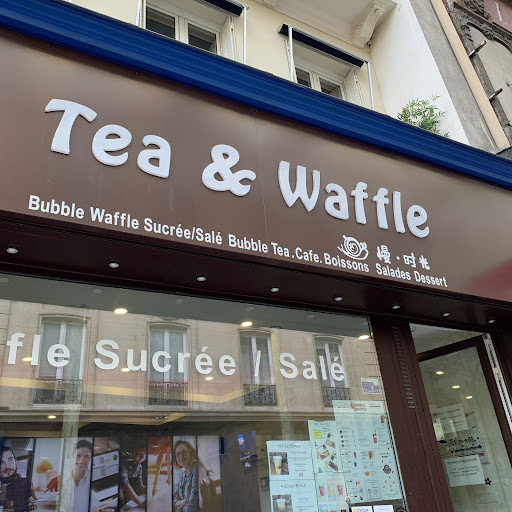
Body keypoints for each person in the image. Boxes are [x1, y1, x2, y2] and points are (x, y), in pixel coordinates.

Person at [47, 439, 93, 512]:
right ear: (73, 455)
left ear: (90, 458)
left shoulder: (93, 478)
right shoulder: (60, 479)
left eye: (86, 456)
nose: (81, 461)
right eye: (78, 456)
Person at [1, 446, 36, 512]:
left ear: (15, 461)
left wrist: (30, 505)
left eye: (10, 460)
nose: (7, 466)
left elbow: (34, 504)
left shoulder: (25, 484)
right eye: (1, 462)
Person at [173, 441, 198, 512]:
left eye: (184, 452)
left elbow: (192, 508)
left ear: (190, 453)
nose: (181, 457)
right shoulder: (181, 472)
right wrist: (181, 502)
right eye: (178, 454)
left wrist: (178, 508)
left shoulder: (196, 470)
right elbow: (174, 498)